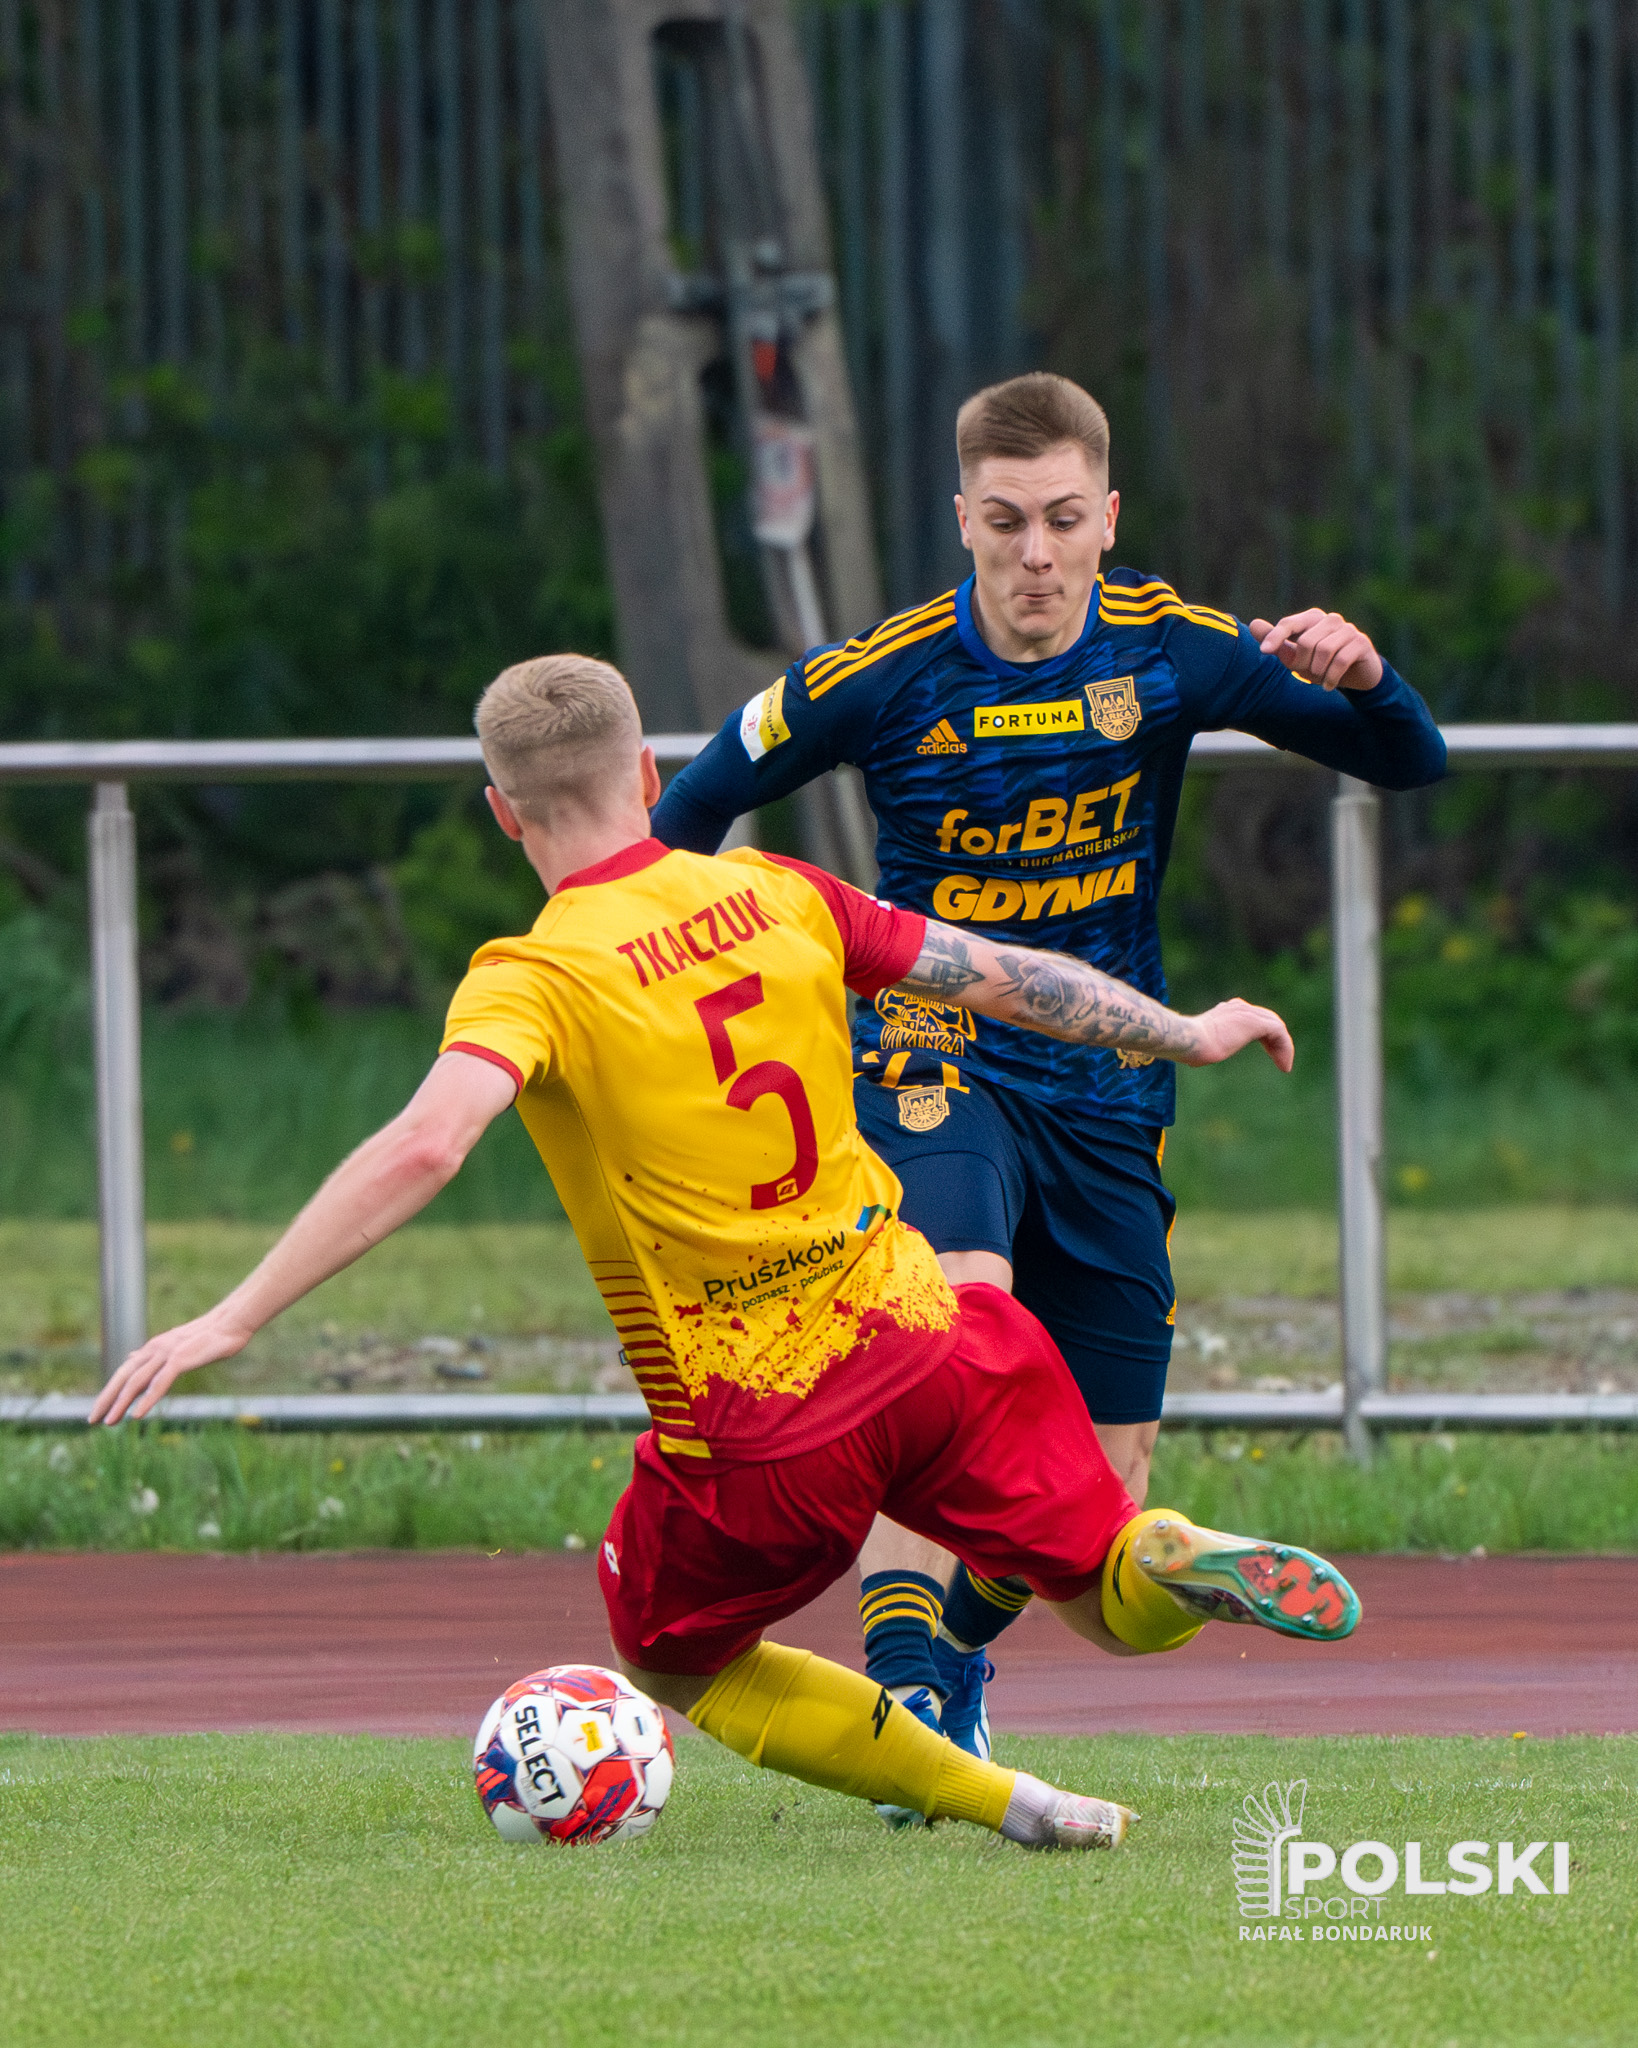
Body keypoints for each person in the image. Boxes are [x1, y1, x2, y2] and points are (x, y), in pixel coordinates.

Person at [93, 654, 1361, 1852]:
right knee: (1107, 1594)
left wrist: (236, 1315)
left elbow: (428, 1144)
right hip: (936, 1336)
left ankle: (1009, 1802)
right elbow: (998, 974)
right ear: (649, 773)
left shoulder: (532, 974)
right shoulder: (780, 891)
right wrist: (1185, 1030)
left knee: (671, 1654)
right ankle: (1170, 1548)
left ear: (502, 812)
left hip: (763, 1425)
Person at [650, 371, 1444, 1767]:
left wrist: (1367, 675)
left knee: (1095, 1483)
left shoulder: (1172, 652)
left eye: (1063, 521)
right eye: (1006, 520)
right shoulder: (878, 676)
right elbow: (688, 811)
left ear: (1108, 518)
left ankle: (954, 1654)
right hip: (931, 1049)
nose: (1035, 553)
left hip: (1111, 1081)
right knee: (953, 1326)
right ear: (961, 517)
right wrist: (705, 977)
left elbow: (1409, 759)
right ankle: (904, 1708)